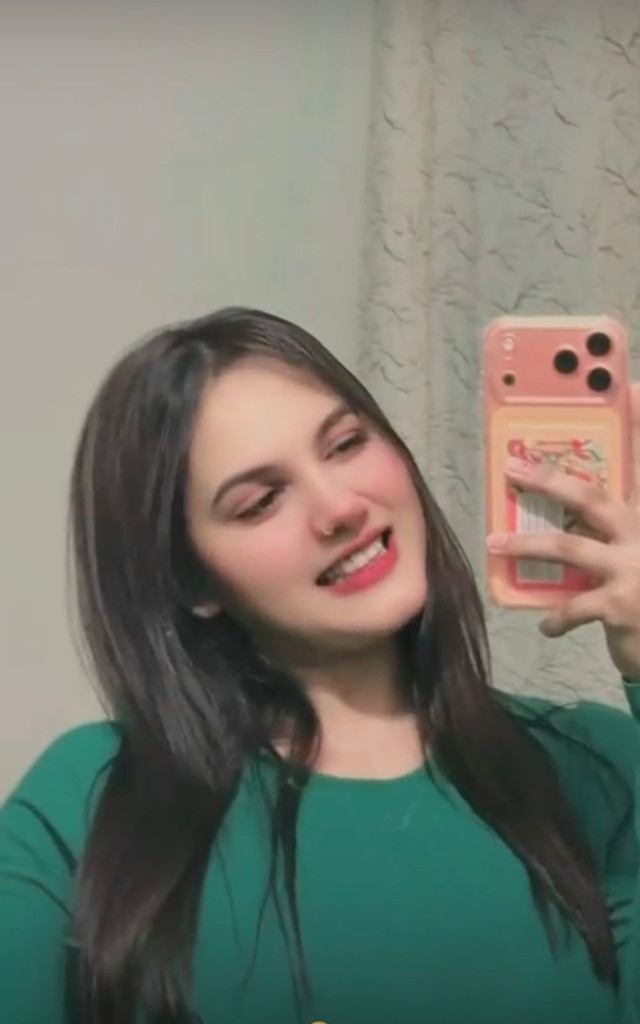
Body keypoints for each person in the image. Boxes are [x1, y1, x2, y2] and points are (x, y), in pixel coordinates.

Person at [1, 307, 640, 1024]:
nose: (340, 507)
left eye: (345, 443)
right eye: (261, 501)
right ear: (192, 582)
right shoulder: (90, 796)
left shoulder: (600, 766)